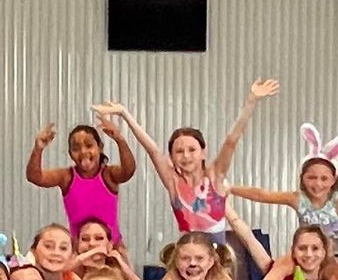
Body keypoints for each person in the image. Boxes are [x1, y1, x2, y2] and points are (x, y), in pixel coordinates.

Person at [97, 81, 280, 236]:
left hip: (216, 255)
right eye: (179, 151)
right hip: (186, 253)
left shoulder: (215, 176)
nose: (186, 156)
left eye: (192, 150)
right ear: (171, 157)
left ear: (203, 152)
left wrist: (251, 101)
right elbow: (152, 150)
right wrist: (124, 114)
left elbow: (231, 141)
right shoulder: (173, 181)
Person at [226, 123, 338, 268]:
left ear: (333, 180)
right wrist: (231, 188)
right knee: (279, 268)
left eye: (324, 179)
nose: (318, 184)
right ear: (302, 178)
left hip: (330, 259)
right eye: (311, 177)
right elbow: (263, 195)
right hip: (304, 258)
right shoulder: (298, 199)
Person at [26, 114, 140, 244]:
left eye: (89, 145)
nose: (83, 152)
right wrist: (38, 149)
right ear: (70, 154)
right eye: (76, 148)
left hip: (110, 248)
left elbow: (128, 171)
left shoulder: (108, 175)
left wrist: (120, 140)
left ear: (100, 147)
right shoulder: (66, 177)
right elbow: (34, 177)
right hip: (79, 249)